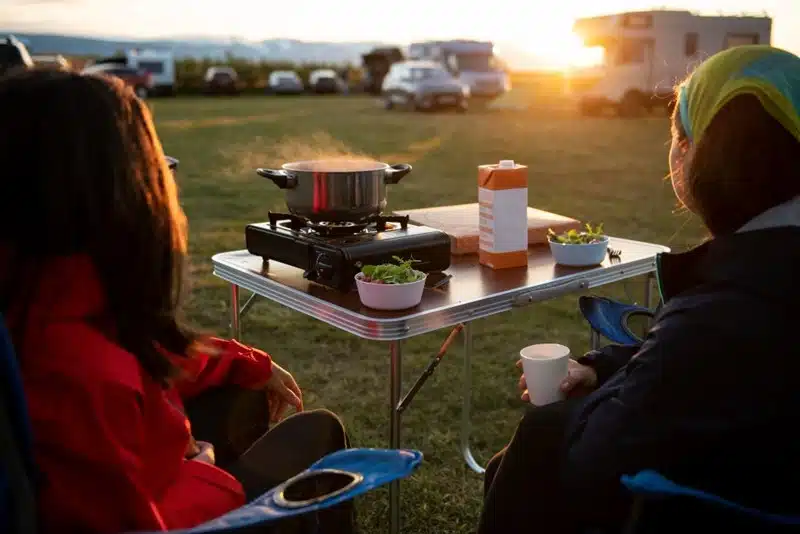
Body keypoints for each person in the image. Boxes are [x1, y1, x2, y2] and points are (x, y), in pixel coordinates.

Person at [0, 69, 352, 533]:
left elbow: (149, 355)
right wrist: (207, 477)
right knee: (319, 433)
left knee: (244, 397)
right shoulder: (77, 372)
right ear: (121, 193)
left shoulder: (47, 295)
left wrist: (246, 363)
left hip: (167, 474)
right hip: (185, 507)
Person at [478, 45, 800, 534]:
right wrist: (603, 366)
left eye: (678, 134)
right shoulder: (757, 283)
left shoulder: (719, 311)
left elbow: (596, 461)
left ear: (699, 155)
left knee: (539, 437)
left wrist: (582, 402)